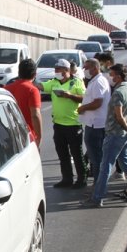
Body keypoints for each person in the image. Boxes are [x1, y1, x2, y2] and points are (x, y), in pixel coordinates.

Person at [82, 64, 127, 207]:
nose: (110, 77)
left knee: (105, 166)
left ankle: (97, 197)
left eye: (112, 75)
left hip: (115, 134)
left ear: (118, 76)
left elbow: (118, 115)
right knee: (126, 165)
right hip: (124, 135)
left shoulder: (118, 93)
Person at [42, 59, 86, 188]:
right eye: (55, 69)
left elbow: (85, 97)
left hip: (73, 124)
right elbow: (41, 87)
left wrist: (70, 96)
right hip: (59, 125)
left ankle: (81, 179)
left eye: (58, 70)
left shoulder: (76, 82)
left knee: (77, 154)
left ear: (66, 70)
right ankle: (67, 178)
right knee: (62, 154)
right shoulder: (54, 82)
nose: (56, 72)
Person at [77, 58, 110, 185]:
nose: (84, 70)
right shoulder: (95, 81)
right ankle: (99, 186)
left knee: (96, 158)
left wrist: (83, 108)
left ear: (95, 68)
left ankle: (98, 187)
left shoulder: (98, 82)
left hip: (96, 125)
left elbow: (98, 102)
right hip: (93, 123)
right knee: (96, 158)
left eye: (86, 68)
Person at [4, 58, 43, 148]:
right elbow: (35, 115)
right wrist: (39, 137)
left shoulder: (6, 89)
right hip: (27, 136)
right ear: (35, 74)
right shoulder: (32, 90)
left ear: (19, 72)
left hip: (11, 135)